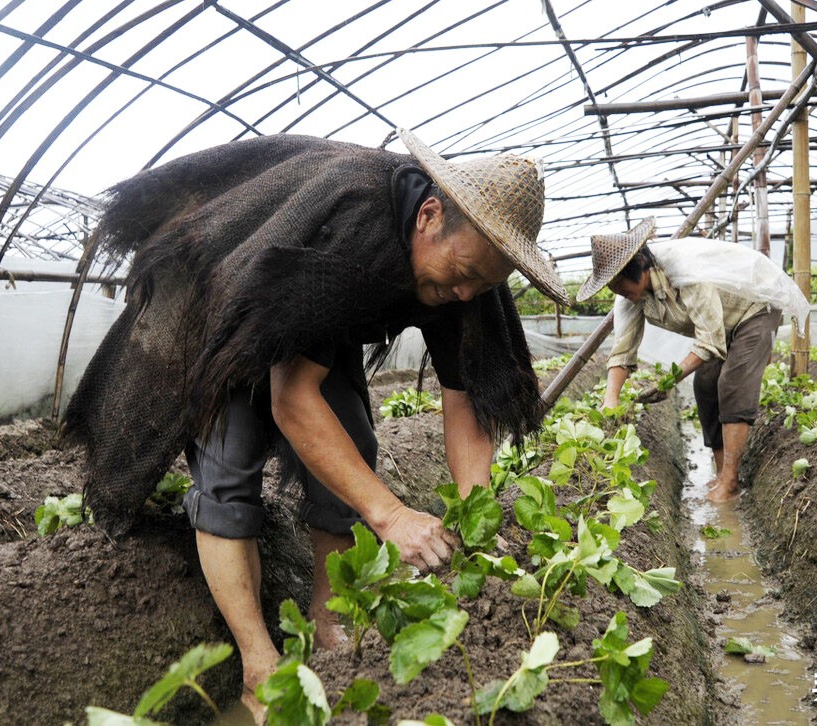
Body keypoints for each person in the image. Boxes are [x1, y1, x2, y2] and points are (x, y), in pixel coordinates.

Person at [62, 129, 569, 717]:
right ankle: (258, 665)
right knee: (229, 467)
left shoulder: (472, 272)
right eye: (462, 273)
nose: (464, 291)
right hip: (216, 299)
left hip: (308, 311)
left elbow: (464, 400)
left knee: (352, 443)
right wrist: (394, 515)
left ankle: (331, 631)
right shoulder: (354, 221)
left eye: (481, 283)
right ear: (429, 215)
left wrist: (474, 515)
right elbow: (291, 400)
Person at [576, 218, 809, 503]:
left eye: (621, 286)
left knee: (732, 384)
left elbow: (709, 340)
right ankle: (722, 471)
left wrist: (669, 381)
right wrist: (611, 399)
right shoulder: (628, 297)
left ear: (639, 266)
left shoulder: (686, 274)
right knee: (706, 383)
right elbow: (623, 350)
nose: (619, 293)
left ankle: (731, 481)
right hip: (721, 322)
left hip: (755, 310)